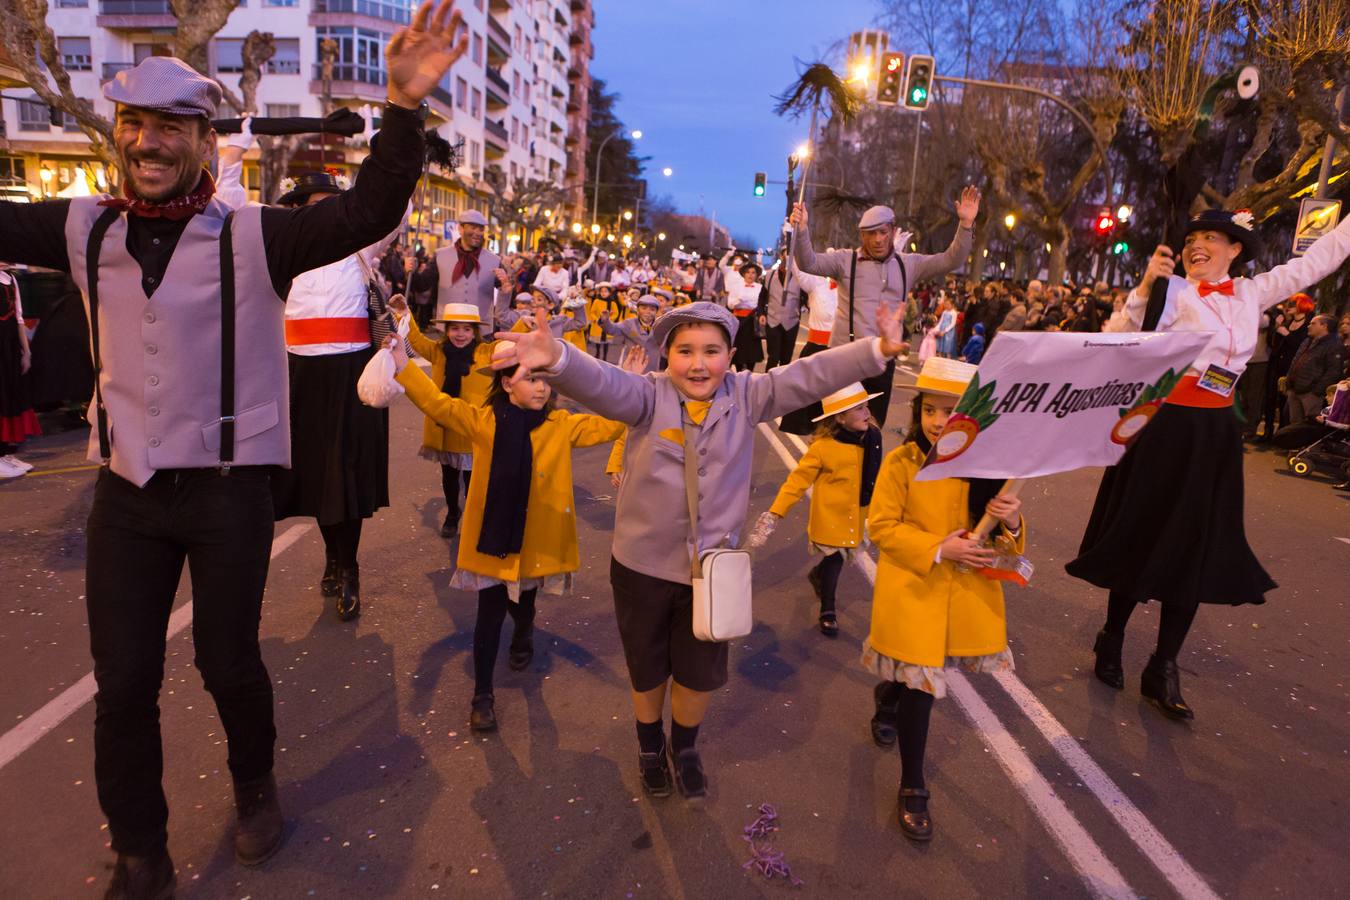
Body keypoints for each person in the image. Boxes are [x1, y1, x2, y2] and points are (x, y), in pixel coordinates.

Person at [0, 6, 467, 895]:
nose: (148, 141)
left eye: (170, 127)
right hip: (127, 494)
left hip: (227, 491)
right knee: (124, 682)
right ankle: (140, 849)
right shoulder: (81, 226)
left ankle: (255, 788)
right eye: (135, 124)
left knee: (228, 659)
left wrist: (404, 108)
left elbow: (369, 210)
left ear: (203, 141)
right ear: (117, 136)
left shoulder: (259, 235)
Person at [491, 300, 909, 802]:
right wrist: (557, 357)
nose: (697, 363)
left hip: (713, 572)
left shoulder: (749, 395)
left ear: (731, 354)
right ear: (666, 355)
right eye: (684, 350)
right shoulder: (647, 396)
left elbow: (809, 375)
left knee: (698, 672)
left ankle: (684, 746)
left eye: (711, 351)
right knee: (648, 669)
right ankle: (650, 744)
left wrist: (876, 350)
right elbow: (602, 382)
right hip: (641, 566)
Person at [1073, 208, 1350, 721]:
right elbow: (1117, 338)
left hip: (1216, 430)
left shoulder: (1251, 293)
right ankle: (1111, 638)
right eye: (1191, 237)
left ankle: (1164, 665)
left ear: (1234, 250)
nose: (1197, 245)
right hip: (1164, 426)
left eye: (1210, 238)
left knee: (1196, 547)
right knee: (1142, 534)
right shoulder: (1169, 291)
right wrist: (1143, 291)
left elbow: (1318, 260)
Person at [385, 311, 623, 732]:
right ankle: (482, 695)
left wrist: (628, 388)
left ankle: (525, 632)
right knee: (489, 613)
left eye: (546, 380)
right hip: (491, 540)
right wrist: (403, 368)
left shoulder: (560, 424)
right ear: (507, 382)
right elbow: (438, 404)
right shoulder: (483, 420)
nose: (542, 388)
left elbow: (610, 425)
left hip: (535, 536)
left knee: (525, 602)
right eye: (532, 379)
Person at [864, 356, 1024, 841]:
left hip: (963, 597)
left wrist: (1012, 522)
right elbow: (881, 527)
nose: (938, 422)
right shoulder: (901, 462)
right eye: (930, 410)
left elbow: (1009, 552)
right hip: (913, 590)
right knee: (922, 687)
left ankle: (885, 694)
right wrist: (937, 548)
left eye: (951, 411)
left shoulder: (995, 468)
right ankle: (913, 784)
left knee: (912, 677)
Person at [246, 169, 396, 623]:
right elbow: (233, 212)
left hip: (351, 375)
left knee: (345, 478)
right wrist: (231, 158)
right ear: (297, 210)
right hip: (297, 375)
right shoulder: (282, 250)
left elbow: (394, 206)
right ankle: (335, 557)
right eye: (314, 205)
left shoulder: (360, 249)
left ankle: (348, 567)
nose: (324, 213)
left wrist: (398, 138)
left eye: (332, 203)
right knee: (316, 479)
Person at [791, 193, 978, 424]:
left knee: (872, 431)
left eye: (883, 232)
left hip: (881, 362)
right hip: (843, 359)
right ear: (862, 235)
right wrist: (801, 231)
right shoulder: (844, 260)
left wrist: (966, 225)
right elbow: (808, 262)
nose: (878, 239)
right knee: (834, 432)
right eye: (871, 233)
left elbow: (951, 260)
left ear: (892, 230)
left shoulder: (909, 264)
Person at [748, 382, 883, 637]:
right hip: (831, 517)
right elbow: (797, 482)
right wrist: (776, 512)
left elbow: (877, 476)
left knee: (840, 557)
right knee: (834, 558)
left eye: (866, 406)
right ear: (840, 417)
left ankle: (817, 574)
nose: (867, 412)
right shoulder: (823, 448)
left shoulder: (872, 440)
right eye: (858, 409)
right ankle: (828, 608)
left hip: (857, 514)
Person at [403, 301, 495, 538]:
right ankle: (453, 513)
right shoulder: (438, 351)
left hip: (471, 427)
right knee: (449, 476)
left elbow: (511, 346)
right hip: (446, 427)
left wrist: (524, 324)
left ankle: (476, 517)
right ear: (446, 330)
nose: (460, 334)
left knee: (473, 479)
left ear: (475, 331)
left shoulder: (486, 353)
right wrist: (405, 312)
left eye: (466, 329)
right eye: (454, 328)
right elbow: (415, 340)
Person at [433, 208, 510, 329]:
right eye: (473, 227)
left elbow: (505, 295)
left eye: (481, 229)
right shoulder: (439, 256)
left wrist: (506, 286)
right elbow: (423, 285)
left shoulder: (495, 261)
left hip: (481, 331)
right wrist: (411, 269)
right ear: (460, 228)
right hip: (448, 329)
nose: (478, 233)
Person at [0, 264, 40, 478]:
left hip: (9, 348)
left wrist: (26, 352)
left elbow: (19, 318)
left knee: (12, 396)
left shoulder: (11, 279)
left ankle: (5, 452)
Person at [1284, 314, 1343, 425]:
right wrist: (1288, 380)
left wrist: (1316, 391)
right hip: (1295, 389)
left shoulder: (1333, 345)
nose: (1308, 326)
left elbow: (1333, 371)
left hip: (1311, 393)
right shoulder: (1307, 341)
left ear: (1324, 326)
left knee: (1309, 425)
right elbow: (1295, 361)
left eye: (1313, 323)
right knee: (1295, 424)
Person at [721, 251, 765, 372]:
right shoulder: (736, 287)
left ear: (756, 275)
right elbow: (730, 303)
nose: (750, 275)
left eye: (753, 273)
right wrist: (738, 301)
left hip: (752, 322)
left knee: (752, 352)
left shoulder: (760, 288)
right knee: (739, 352)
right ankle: (739, 372)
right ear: (743, 274)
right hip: (739, 321)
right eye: (748, 272)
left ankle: (750, 373)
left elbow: (760, 303)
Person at [762, 248, 803, 369]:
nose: (789, 258)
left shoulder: (800, 276)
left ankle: (782, 385)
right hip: (773, 321)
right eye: (786, 254)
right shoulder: (770, 275)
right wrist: (761, 314)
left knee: (786, 358)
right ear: (781, 256)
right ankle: (769, 384)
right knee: (773, 357)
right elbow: (762, 297)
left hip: (792, 322)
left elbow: (807, 295)